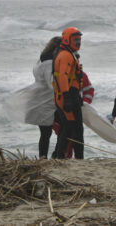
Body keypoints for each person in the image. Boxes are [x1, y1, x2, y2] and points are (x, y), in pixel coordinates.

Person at [51, 27, 85, 159]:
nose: (78, 42)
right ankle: (71, 157)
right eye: (76, 39)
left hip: (70, 95)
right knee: (72, 129)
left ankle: (61, 156)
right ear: (67, 39)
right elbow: (63, 77)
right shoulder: (65, 55)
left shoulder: (69, 53)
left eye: (80, 40)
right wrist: (67, 97)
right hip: (67, 96)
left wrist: (77, 96)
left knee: (70, 128)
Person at [64, 70, 94, 158]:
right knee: (65, 136)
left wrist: (85, 103)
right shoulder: (60, 74)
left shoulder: (81, 75)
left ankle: (77, 158)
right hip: (61, 111)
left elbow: (89, 90)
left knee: (75, 136)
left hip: (77, 109)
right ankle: (65, 156)